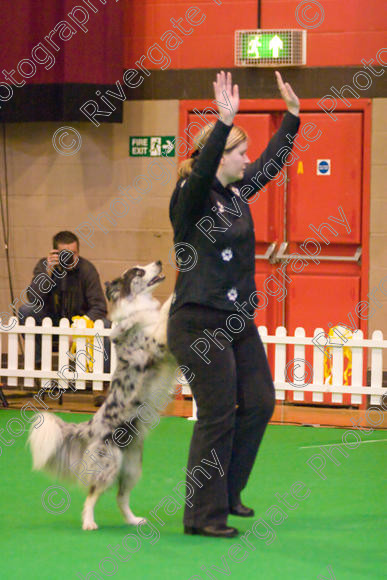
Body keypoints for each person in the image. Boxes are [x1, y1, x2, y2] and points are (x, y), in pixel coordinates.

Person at [167, 71, 300, 538]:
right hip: (199, 321)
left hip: (236, 319)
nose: (248, 159)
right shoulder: (192, 196)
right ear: (218, 156)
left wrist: (293, 117)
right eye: (239, 151)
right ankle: (202, 516)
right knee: (219, 412)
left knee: (261, 402)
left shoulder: (236, 193)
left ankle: (227, 493)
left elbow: (270, 164)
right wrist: (223, 122)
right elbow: (201, 171)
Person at [18, 231, 110, 382]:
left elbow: (99, 307)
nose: (69, 258)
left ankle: (101, 383)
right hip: (50, 326)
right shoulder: (45, 266)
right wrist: (48, 273)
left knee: (105, 325)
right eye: (64, 254)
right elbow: (33, 299)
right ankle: (40, 369)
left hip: (81, 328)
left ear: (78, 253)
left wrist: (78, 329)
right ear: (54, 253)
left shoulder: (87, 269)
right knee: (26, 310)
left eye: (73, 254)